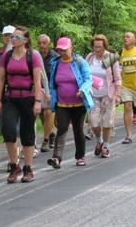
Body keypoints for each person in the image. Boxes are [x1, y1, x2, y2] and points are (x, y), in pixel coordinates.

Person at [0, 26, 42, 182]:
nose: (13, 39)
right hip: (11, 97)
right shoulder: (6, 57)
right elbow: (1, 79)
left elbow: (37, 80)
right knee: (8, 130)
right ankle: (14, 165)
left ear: (25, 40)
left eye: (16, 37)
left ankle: (28, 168)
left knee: (27, 132)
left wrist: (38, 101)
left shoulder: (32, 56)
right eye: (12, 37)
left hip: (28, 97)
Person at [47, 37, 94, 167]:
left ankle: (80, 156)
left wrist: (83, 90)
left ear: (71, 48)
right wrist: (51, 98)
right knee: (61, 129)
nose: (62, 52)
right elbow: (53, 83)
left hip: (79, 103)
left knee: (78, 130)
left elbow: (88, 79)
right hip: (62, 103)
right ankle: (56, 158)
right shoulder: (55, 63)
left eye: (64, 49)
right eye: (60, 50)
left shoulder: (80, 62)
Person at [86, 35, 121, 158]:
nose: (97, 49)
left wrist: (118, 95)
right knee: (93, 121)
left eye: (100, 47)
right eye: (95, 47)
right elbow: (85, 75)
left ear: (105, 46)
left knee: (108, 121)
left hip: (108, 94)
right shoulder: (90, 58)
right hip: (93, 95)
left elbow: (117, 78)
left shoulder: (111, 58)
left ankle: (105, 145)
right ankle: (99, 140)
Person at [37, 34, 58, 151]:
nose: (42, 45)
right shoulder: (35, 56)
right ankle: (50, 134)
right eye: (40, 43)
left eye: (44, 43)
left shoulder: (55, 57)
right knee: (41, 113)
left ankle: (45, 141)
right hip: (39, 89)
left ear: (49, 44)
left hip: (52, 89)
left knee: (48, 112)